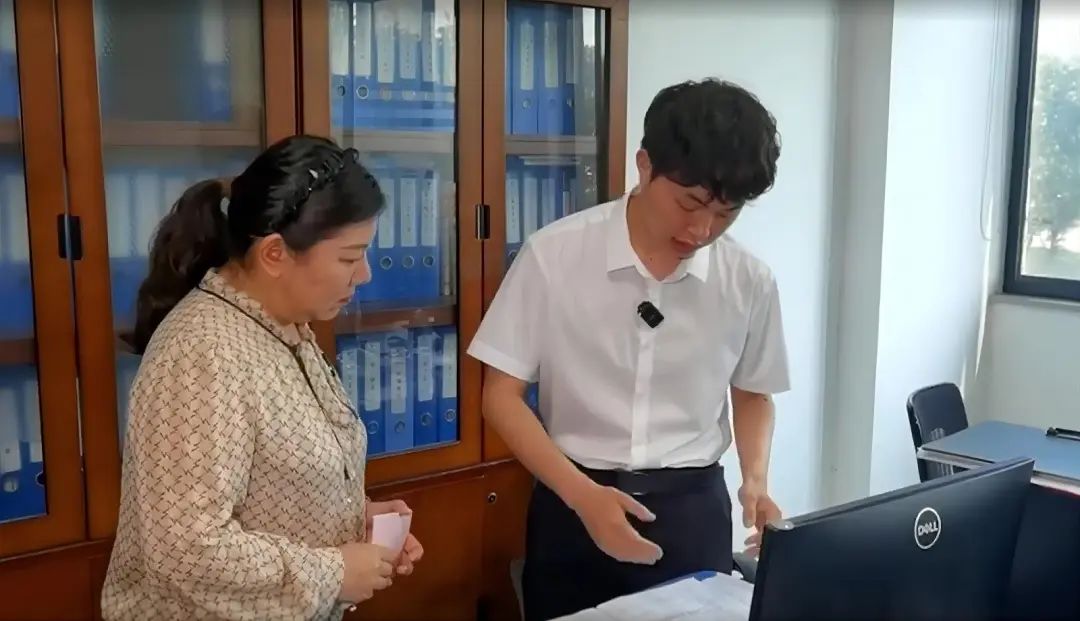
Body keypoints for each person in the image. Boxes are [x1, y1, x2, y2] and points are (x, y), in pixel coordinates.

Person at [467, 78, 789, 621]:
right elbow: (500, 395)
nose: (702, 229)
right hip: (572, 500)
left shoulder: (748, 280)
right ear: (644, 165)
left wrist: (755, 481)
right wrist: (580, 495)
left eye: (726, 213)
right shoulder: (555, 255)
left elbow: (753, 391)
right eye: (690, 203)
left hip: (691, 511)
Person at [101, 135, 423, 620]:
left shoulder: (284, 327)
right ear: (274, 254)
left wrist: (352, 520)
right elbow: (186, 549)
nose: (364, 275)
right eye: (348, 257)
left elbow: (268, 484)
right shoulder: (202, 353)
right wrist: (333, 571)